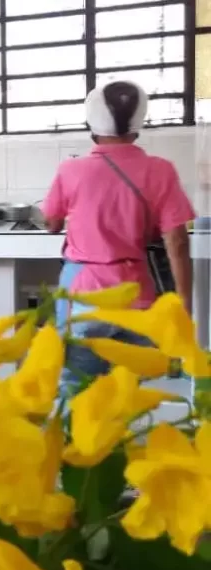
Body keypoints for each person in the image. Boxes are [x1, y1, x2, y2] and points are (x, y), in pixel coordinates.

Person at [42, 80, 195, 378]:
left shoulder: (71, 170)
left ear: (92, 124)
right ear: (139, 123)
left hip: (83, 296)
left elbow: (51, 223)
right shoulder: (160, 170)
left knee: (77, 391)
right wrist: (184, 308)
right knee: (126, 397)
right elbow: (176, 242)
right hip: (135, 296)